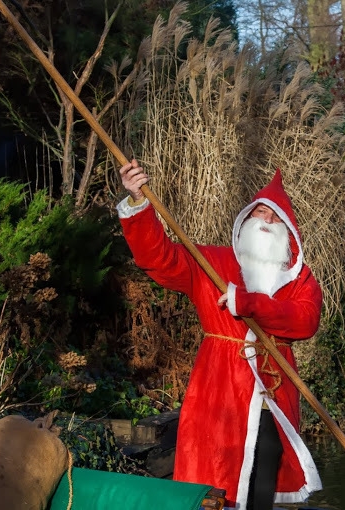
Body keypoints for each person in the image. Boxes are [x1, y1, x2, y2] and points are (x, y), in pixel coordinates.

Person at [117, 159, 323, 509]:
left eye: (276, 218)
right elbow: (161, 260)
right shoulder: (212, 263)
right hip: (218, 391)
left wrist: (248, 302)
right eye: (260, 214)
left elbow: (304, 321)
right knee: (213, 477)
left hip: (274, 391)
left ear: (289, 231)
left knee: (265, 474)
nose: (267, 222)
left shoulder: (299, 279)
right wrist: (139, 203)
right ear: (245, 221)